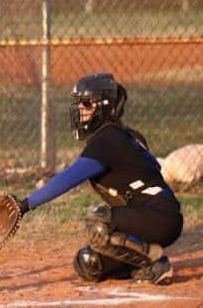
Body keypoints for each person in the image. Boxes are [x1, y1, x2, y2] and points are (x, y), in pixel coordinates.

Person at [15, 72, 183, 285]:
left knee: (100, 220)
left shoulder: (108, 139)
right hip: (147, 217)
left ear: (103, 107)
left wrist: (24, 206)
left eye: (86, 103)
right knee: (88, 264)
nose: (80, 110)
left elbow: (68, 178)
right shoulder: (119, 136)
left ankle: (155, 263)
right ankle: (143, 261)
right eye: (78, 104)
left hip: (160, 216)